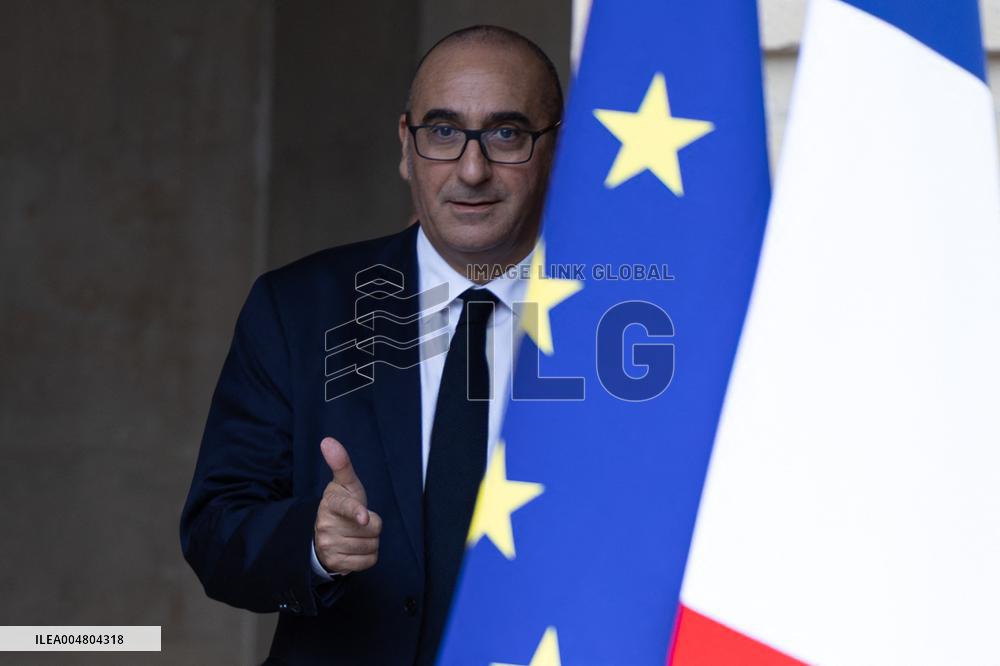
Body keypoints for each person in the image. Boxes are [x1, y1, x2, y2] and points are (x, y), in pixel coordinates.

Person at [179, 24, 563, 665]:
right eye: (443, 132)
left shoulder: (627, 324)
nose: (472, 169)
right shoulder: (297, 308)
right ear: (406, 147)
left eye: (506, 134)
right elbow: (216, 529)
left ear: (556, 149)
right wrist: (314, 543)